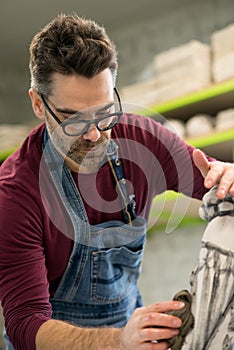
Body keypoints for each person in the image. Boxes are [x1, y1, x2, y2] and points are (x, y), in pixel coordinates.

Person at [0, 13, 233, 350]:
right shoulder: (14, 195)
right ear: (38, 104)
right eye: (74, 121)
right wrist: (119, 340)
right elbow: (26, 325)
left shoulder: (144, 140)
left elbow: (216, 182)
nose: (95, 134)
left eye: (105, 113)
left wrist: (227, 176)